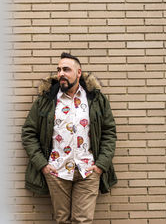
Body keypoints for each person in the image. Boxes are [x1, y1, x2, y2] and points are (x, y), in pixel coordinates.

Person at [21, 52, 117, 224]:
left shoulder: (95, 99)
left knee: (83, 221)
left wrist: (100, 166)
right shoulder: (46, 100)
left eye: (66, 69)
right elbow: (28, 132)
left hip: (88, 170)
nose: (61, 74)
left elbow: (109, 132)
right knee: (62, 220)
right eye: (59, 70)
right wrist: (43, 165)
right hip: (56, 171)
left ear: (78, 72)